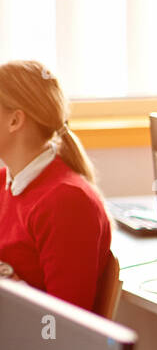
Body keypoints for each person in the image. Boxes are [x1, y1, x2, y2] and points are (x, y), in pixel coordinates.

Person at [0, 60, 111, 312]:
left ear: (15, 121)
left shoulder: (67, 202)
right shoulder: (4, 181)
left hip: (31, 347)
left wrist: (11, 286)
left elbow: (63, 327)